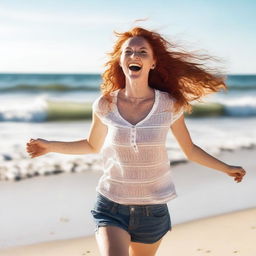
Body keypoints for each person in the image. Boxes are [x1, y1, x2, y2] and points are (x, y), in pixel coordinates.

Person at [26, 27, 246, 256]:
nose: (134, 56)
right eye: (128, 52)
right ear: (120, 61)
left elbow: (189, 149)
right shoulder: (105, 104)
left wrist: (226, 168)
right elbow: (92, 145)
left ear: (152, 63)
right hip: (111, 206)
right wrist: (49, 146)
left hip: (152, 211)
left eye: (142, 52)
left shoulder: (169, 105)